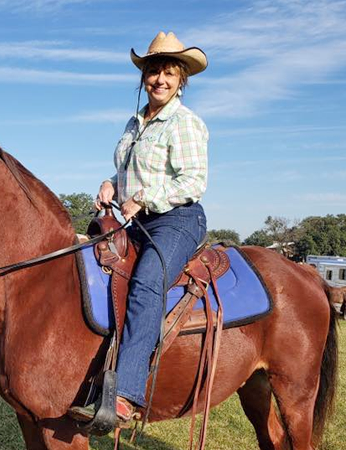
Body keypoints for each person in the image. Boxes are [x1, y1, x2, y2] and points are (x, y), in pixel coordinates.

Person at [86, 31, 210, 423]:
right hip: (136, 221)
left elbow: (192, 181)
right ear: (144, 77)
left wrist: (144, 198)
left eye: (169, 73)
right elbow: (130, 171)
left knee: (145, 283)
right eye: (154, 71)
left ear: (181, 80)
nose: (159, 79)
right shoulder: (135, 122)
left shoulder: (185, 123)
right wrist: (112, 183)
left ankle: (126, 393)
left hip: (176, 219)